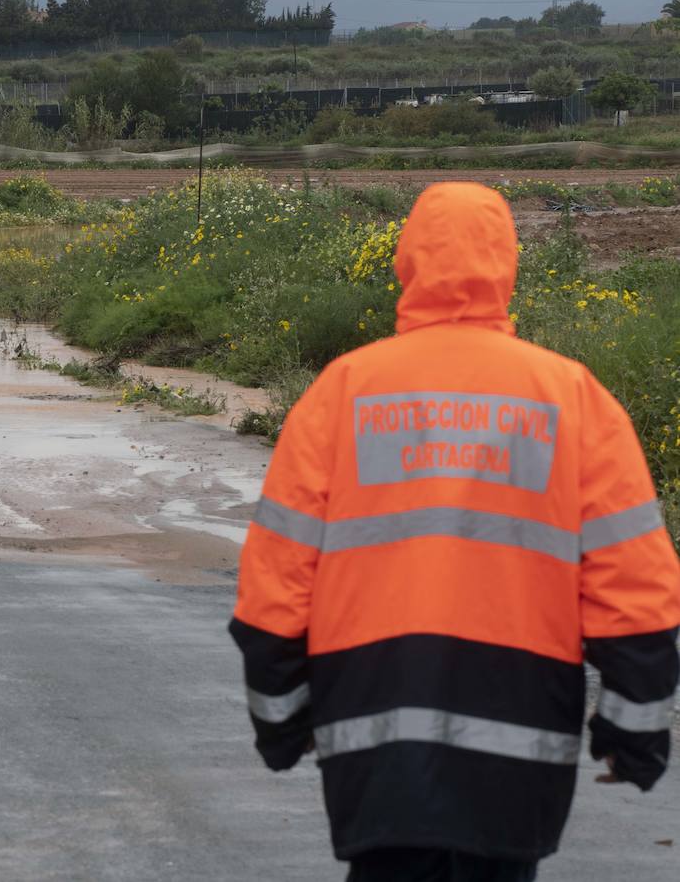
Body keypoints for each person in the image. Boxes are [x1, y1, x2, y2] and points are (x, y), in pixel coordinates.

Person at [229, 182, 680, 881]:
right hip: (520, 733)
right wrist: (635, 732)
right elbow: (637, 585)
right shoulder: (569, 395)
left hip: (372, 730)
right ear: (508, 264)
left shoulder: (345, 390)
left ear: (407, 261)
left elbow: (276, 581)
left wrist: (282, 721)